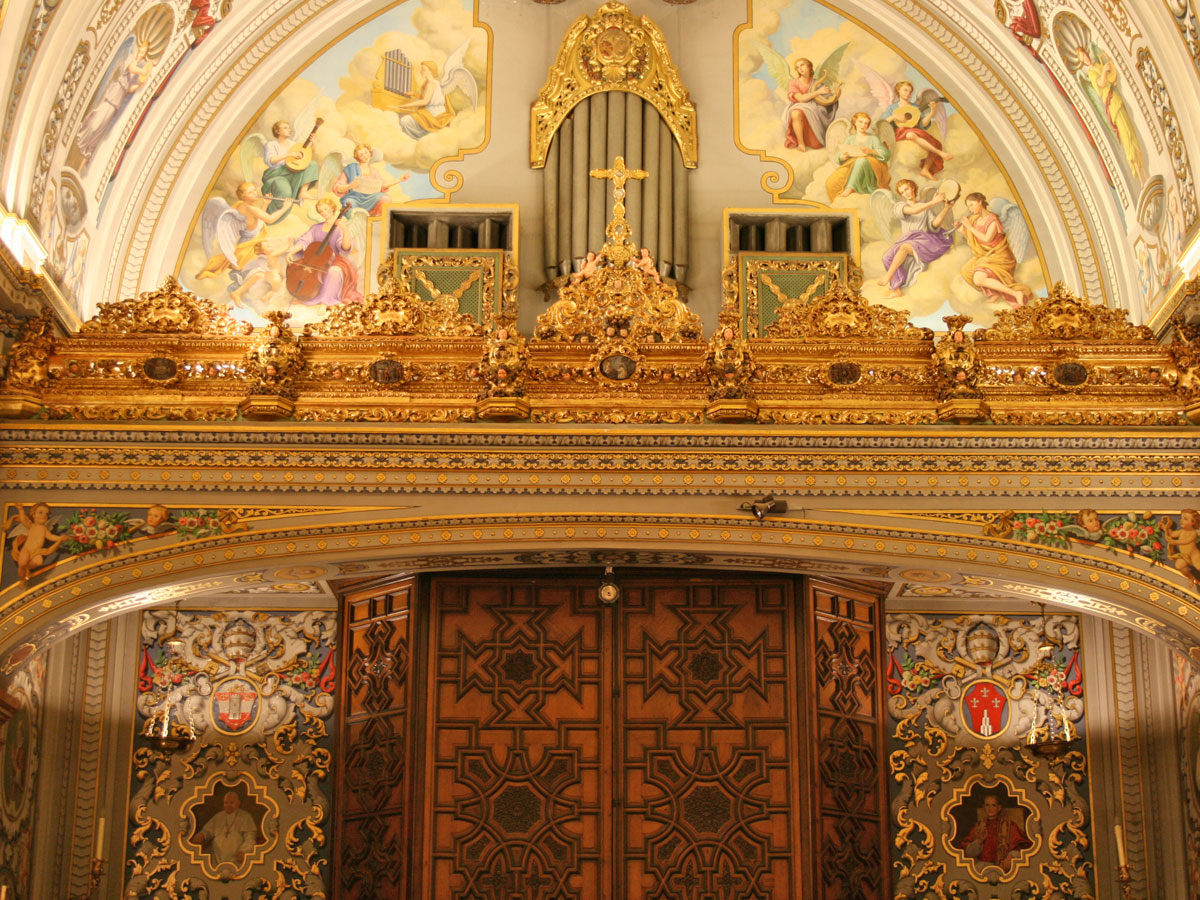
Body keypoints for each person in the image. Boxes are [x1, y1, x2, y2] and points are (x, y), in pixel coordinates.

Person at [195, 182, 294, 282]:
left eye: (255, 190)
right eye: (251, 192)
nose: (255, 193)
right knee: (248, 263)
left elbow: (257, 219)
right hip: (250, 244)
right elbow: (270, 219)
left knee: (235, 262)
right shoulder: (250, 208)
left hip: (253, 241)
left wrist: (265, 204)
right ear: (243, 196)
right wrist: (285, 207)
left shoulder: (242, 205)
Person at [75, 40, 154, 162]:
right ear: (138, 50)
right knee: (98, 119)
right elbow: (131, 68)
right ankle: (83, 135)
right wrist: (142, 71)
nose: (142, 54)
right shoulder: (131, 59)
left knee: (103, 125)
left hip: (119, 99)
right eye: (141, 51)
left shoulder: (137, 67)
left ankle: (88, 147)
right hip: (114, 94)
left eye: (144, 53)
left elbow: (128, 89)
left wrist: (138, 86)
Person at [1074, 46, 1145, 181]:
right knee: (1126, 136)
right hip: (1110, 103)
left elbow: (1112, 75)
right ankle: (1139, 176)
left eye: (1084, 54)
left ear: (1086, 52)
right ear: (1081, 61)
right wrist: (1104, 72)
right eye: (1082, 58)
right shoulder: (1090, 73)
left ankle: (1144, 172)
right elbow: (1100, 84)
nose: (1085, 58)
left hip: (1116, 98)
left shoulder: (1097, 65)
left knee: (1132, 133)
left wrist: (1108, 61)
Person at [876, 179, 954, 296]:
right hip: (908, 238)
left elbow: (934, 224)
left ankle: (888, 276)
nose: (905, 193)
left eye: (906, 189)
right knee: (886, 257)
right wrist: (933, 202)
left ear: (912, 188)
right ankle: (896, 289)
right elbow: (913, 210)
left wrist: (946, 209)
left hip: (923, 239)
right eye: (902, 192)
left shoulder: (926, 208)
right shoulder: (900, 206)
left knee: (904, 248)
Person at [955, 192, 1034, 307]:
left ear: (980, 202)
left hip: (999, 255)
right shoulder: (974, 219)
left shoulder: (993, 220)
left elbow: (987, 239)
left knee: (978, 279)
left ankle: (1016, 293)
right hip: (985, 255)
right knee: (966, 270)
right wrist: (962, 230)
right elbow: (974, 240)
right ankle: (995, 291)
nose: (970, 209)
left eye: (972, 205)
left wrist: (969, 227)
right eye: (968, 206)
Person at [287, 195, 361, 305]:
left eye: (325, 209)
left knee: (334, 271)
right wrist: (292, 251)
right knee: (298, 267)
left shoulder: (339, 228)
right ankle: (304, 296)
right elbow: (304, 241)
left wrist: (345, 229)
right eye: (321, 211)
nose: (323, 213)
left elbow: (345, 247)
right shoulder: (316, 228)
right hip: (313, 258)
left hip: (333, 259)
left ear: (332, 208)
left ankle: (326, 301)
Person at [880, 81, 953, 179]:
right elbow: (882, 123)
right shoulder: (893, 108)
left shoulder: (915, 107)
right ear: (898, 90)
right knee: (911, 135)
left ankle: (925, 169)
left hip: (916, 131)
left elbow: (922, 124)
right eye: (905, 90)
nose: (908, 93)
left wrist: (931, 113)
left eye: (910, 92)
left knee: (934, 142)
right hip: (899, 132)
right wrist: (894, 116)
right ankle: (940, 153)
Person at [960, 793, 1032, 872]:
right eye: (987, 805)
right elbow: (968, 852)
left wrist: (1011, 857)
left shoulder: (1009, 825)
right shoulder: (978, 826)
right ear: (984, 807)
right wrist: (979, 841)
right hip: (981, 868)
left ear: (999, 807)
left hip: (1004, 867)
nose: (990, 808)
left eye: (993, 805)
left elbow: (1022, 846)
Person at [826, 113, 890, 200]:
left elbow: (886, 154)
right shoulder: (850, 139)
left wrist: (871, 151)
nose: (863, 125)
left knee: (861, 161)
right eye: (860, 122)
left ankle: (850, 188)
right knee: (831, 182)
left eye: (866, 123)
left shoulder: (873, 139)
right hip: (851, 165)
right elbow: (839, 155)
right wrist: (842, 157)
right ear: (854, 122)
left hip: (871, 167)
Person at [332, 143, 410, 215]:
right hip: (354, 198)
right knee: (349, 203)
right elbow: (338, 187)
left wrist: (399, 179)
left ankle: (374, 218)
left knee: (385, 199)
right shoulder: (350, 168)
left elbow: (382, 186)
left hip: (371, 198)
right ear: (357, 157)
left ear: (370, 153)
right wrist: (350, 186)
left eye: (366, 152)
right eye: (361, 154)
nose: (365, 156)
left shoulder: (374, 171)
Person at [261, 121, 320, 214]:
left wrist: (314, 144)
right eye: (285, 128)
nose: (289, 129)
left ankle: (303, 191)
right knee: (285, 193)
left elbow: (305, 156)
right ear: (277, 131)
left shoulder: (293, 144)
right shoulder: (271, 144)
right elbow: (271, 160)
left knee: (312, 164)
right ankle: (270, 213)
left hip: (291, 171)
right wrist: (288, 155)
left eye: (289, 127)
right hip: (276, 173)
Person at [782, 58, 841, 150]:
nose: (800, 68)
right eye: (797, 67)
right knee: (795, 113)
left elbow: (827, 101)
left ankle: (814, 136)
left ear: (809, 66)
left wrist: (836, 96)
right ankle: (801, 144)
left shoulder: (817, 83)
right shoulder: (794, 83)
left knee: (816, 145)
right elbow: (800, 98)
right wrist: (818, 92)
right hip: (799, 107)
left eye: (802, 65)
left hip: (815, 111)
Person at [5, 503, 68, 583]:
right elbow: (23, 519)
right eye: (41, 512)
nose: (44, 515)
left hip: (37, 551)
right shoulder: (31, 526)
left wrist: (60, 538)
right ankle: (22, 580)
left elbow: (51, 536)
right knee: (22, 564)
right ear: (33, 514)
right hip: (27, 549)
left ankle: (27, 569)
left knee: (39, 562)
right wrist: (20, 509)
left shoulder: (44, 529)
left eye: (46, 514)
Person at [195, 791, 258, 868]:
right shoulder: (218, 816)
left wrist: (244, 851)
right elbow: (207, 830)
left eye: (231, 803)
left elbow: (250, 838)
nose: (228, 805)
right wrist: (202, 835)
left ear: (238, 803)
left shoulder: (245, 817)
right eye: (226, 803)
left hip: (237, 860)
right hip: (216, 858)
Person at [398, 61, 455, 139]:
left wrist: (406, 105)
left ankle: (417, 139)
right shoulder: (438, 83)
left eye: (424, 69)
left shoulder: (431, 84)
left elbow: (425, 101)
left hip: (432, 116)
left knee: (404, 121)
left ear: (431, 71)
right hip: (439, 112)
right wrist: (414, 94)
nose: (421, 72)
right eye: (421, 69)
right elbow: (430, 98)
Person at [1162, 510, 1200, 584]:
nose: (1181, 521)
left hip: (1193, 555)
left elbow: (1186, 541)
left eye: (1185, 519)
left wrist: (1175, 542)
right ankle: (1191, 577)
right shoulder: (1181, 531)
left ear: (1193, 522)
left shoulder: (1193, 533)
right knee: (1179, 566)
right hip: (1184, 556)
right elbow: (1172, 534)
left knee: (1198, 566)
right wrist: (1164, 527)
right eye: (1181, 518)